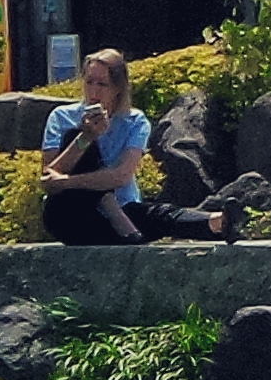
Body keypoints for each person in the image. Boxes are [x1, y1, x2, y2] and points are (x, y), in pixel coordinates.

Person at [37, 47, 233, 244]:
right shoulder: (61, 117)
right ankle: (111, 208)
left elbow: (122, 175)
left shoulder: (134, 121)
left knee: (153, 216)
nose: (94, 91)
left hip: (122, 211)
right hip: (71, 213)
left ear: (117, 88)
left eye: (102, 84)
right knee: (75, 135)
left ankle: (216, 221)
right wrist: (85, 138)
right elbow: (50, 176)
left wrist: (67, 181)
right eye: (89, 82)